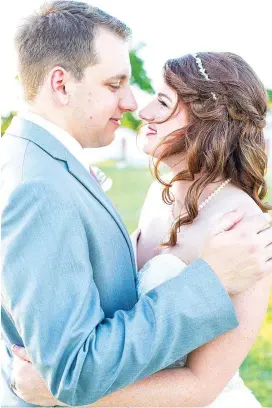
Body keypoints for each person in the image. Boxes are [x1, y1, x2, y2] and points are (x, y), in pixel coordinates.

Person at [1, 2, 272, 407]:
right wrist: (62, 381)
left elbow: (201, 385)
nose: (138, 108)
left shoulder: (242, 227)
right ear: (61, 84)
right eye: (115, 85)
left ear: (207, 122)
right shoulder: (154, 195)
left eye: (161, 103)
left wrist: (62, 393)